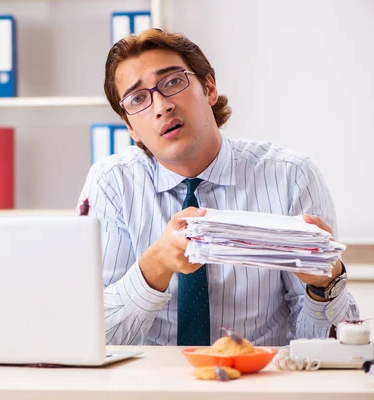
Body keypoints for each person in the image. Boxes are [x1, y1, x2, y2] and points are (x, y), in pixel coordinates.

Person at [77, 28, 359, 346]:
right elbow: (94, 339)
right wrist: (154, 265)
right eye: (138, 99)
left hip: (258, 385)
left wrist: (325, 286)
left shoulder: (291, 176)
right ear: (131, 129)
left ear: (209, 88)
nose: (161, 107)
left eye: (172, 82)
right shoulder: (111, 184)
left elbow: (322, 346)